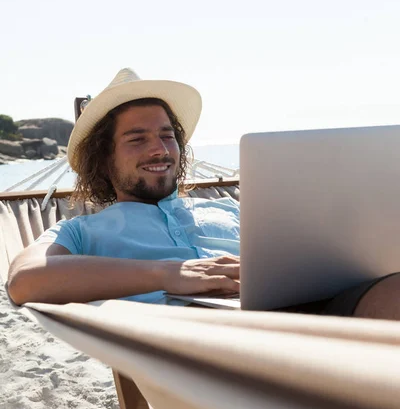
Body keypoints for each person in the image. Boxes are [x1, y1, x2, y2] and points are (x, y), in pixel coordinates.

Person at [7, 69, 400, 320]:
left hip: (311, 318)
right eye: (137, 138)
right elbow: (25, 280)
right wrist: (171, 275)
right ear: (104, 160)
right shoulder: (79, 232)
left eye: (167, 135)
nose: (160, 149)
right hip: (207, 347)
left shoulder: (231, 208)